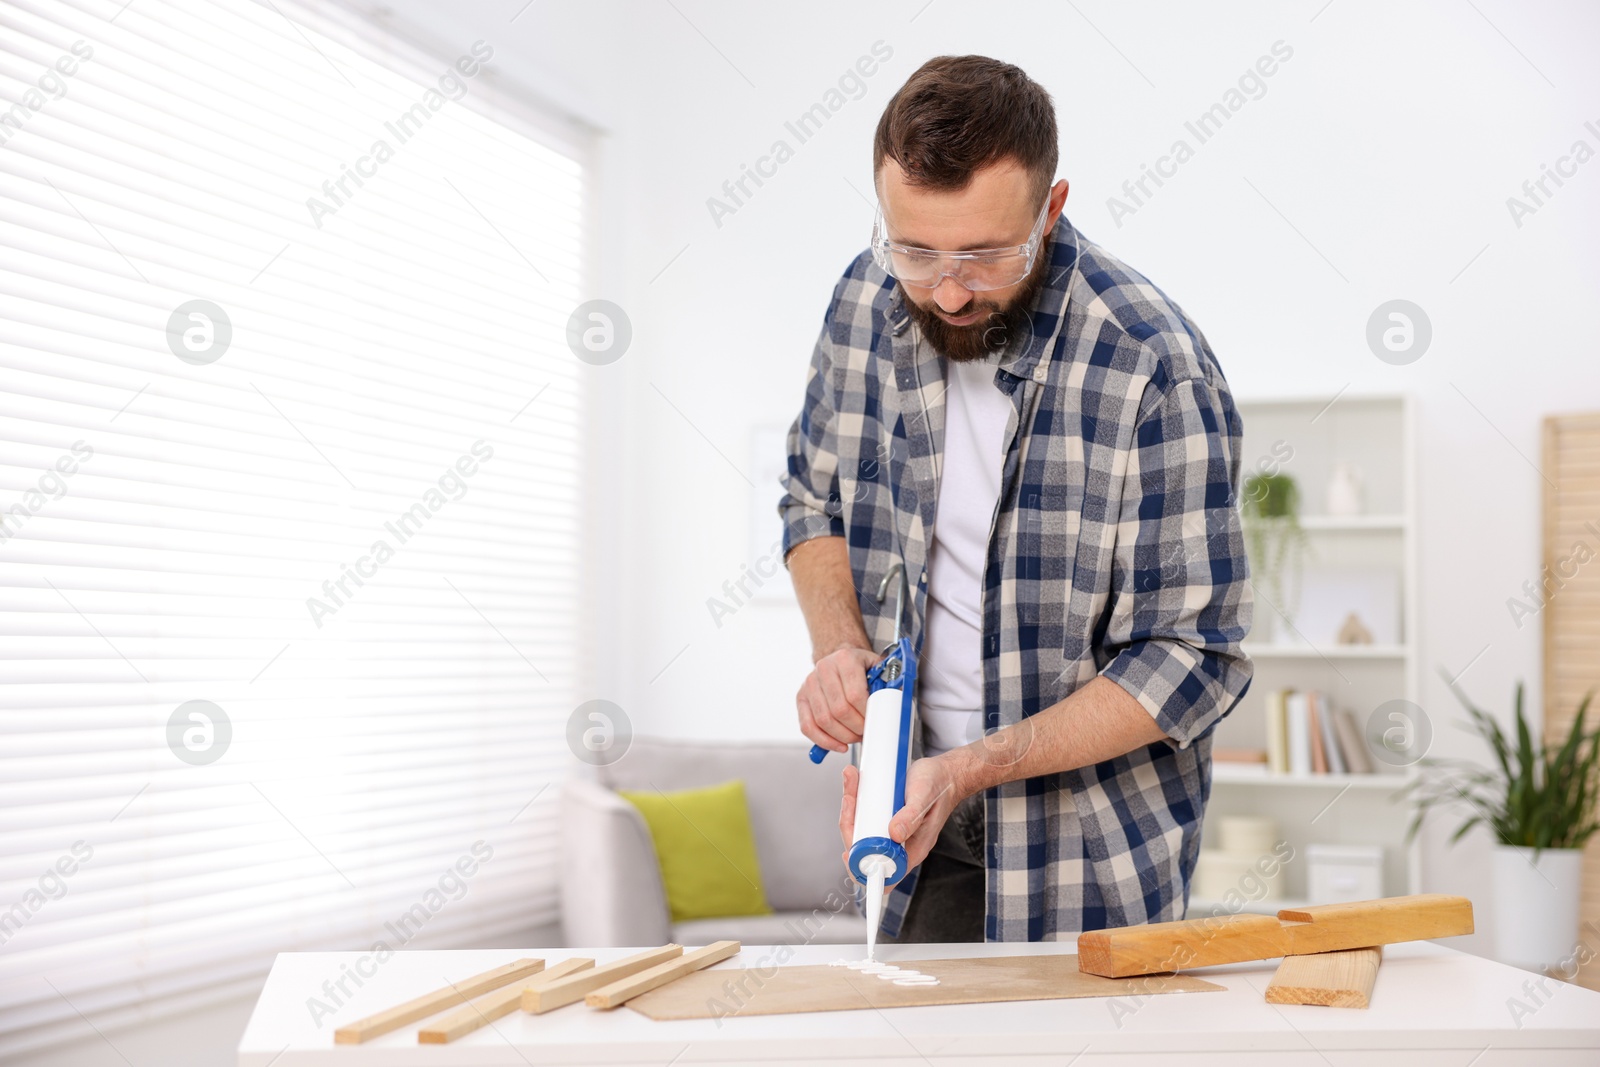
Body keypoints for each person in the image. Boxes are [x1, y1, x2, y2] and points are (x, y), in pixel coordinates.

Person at [779, 55, 1253, 943]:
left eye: (986, 254)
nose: (948, 290)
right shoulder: (862, 300)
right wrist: (839, 648)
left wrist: (969, 767)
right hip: (913, 835)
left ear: (1052, 207)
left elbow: (1193, 658)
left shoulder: (1153, 366)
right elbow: (813, 503)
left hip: (1089, 860)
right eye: (915, 249)